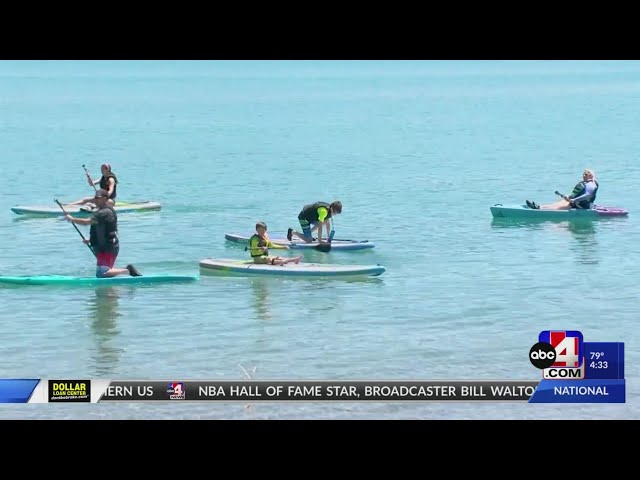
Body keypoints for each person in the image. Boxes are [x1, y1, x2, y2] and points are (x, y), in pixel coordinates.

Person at [65, 189, 142, 278]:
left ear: (105, 199)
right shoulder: (104, 211)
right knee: (104, 273)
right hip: (105, 246)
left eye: (99, 198)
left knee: (101, 274)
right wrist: (91, 240)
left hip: (108, 247)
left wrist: (72, 219)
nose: (96, 200)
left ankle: (128, 270)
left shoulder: (104, 212)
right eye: (95, 198)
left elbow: (88, 222)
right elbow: (106, 230)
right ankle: (113, 288)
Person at [526, 169, 599, 210]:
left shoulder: (591, 184)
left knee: (560, 206)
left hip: (584, 206)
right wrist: (569, 197)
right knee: (560, 202)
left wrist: (574, 200)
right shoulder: (585, 183)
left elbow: (587, 195)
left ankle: (540, 208)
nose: (583, 176)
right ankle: (539, 207)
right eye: (583, 174)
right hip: (578, 203)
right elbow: (577, 194)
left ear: (591, 175)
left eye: (585, 174)